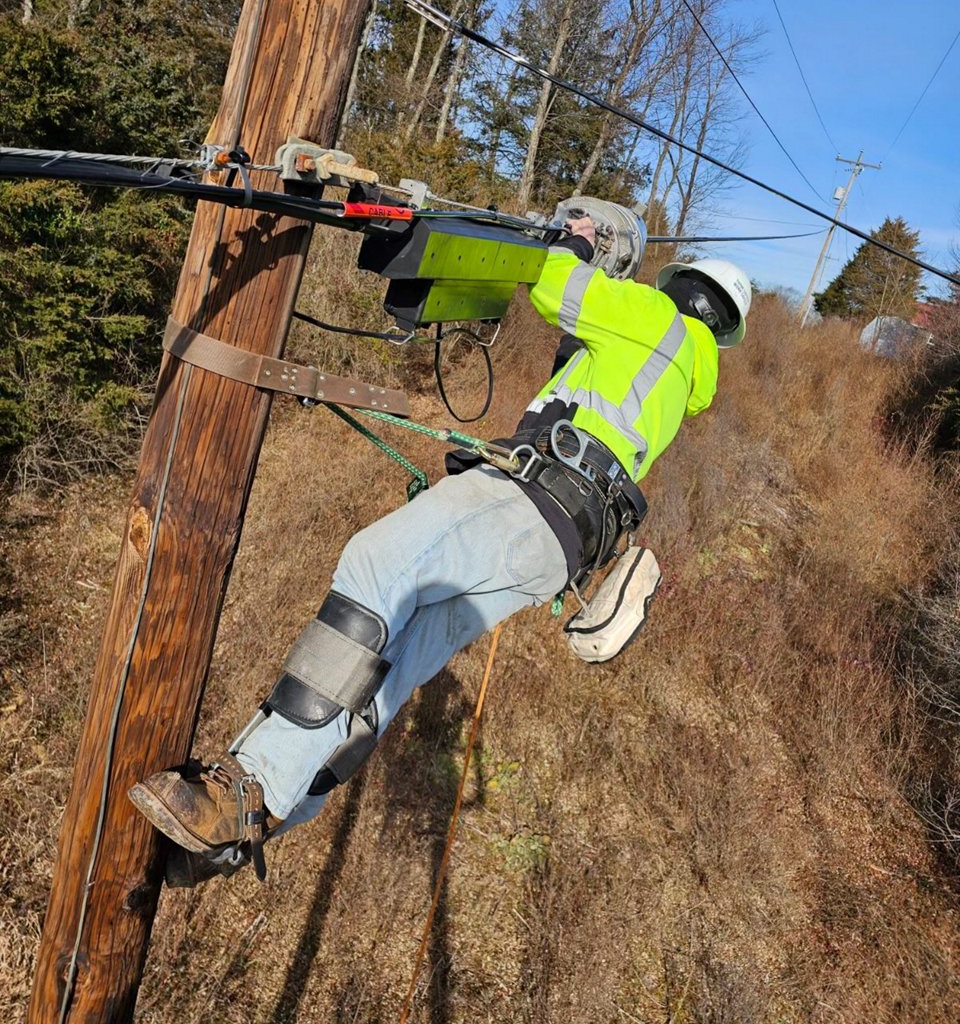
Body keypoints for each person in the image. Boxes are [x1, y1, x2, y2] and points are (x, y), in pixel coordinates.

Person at [129, 214, 752, 884]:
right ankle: (262, 824)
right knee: (390, 666)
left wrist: (575, 240)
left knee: (376, 566)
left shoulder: (654, 320)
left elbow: (557, 285)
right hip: (558, 547)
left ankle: (246, 792)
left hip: (530, 503)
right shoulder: (678, 376)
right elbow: (580, 382)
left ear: (682, 291)